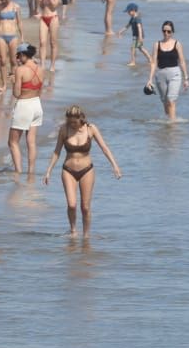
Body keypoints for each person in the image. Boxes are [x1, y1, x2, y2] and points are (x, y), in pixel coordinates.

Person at [42, 105, 121, 238]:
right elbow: (57, 152)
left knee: (85, 207)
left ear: (81, 118)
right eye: (70, 121)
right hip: (68, 170)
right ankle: (73, 231)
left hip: (87, 170)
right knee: (72, 205)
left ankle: (86, 236)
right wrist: (48, 171)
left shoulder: (91, 129)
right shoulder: (64, 129)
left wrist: (115, 166)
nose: (72, 124)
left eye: (74, 122)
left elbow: (104, 148)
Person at [8, 43, 45, 176]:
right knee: (31, 141)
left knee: (12, 141)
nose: (18, 59)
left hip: (24, 105)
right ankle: (31, 172)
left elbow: (17, 94)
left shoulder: (20, 70)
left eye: (18, 56)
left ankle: (18, 171)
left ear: (23, 55)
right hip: (37, 104)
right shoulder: (40, 69)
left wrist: (13, 82)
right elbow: (40, 91)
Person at [146, 21, 189, 121]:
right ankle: (168, 124)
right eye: (164, 31)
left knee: (171, 100)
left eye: (168, 31)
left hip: (175, 74)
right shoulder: (157, 44)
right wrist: (150, 79)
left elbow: (182, 61)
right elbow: (153, 63)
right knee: (165, 102)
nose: (166, 33)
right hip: (160, 74)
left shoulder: (177, 44)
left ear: (172, 32)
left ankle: (172, 124)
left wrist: (186, 78)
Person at [123, 3, 151, 68]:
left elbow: (139, 27)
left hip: (138, 36)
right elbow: (127, 26)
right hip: (135, 36)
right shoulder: (132, 18)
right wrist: (121, 31)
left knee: (133, 48)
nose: (127, 13)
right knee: (141, 48)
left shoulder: (137, 18)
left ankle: (133, 62)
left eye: (128, 11)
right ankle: (150, 59)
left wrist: (140, 37)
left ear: (133, 10)